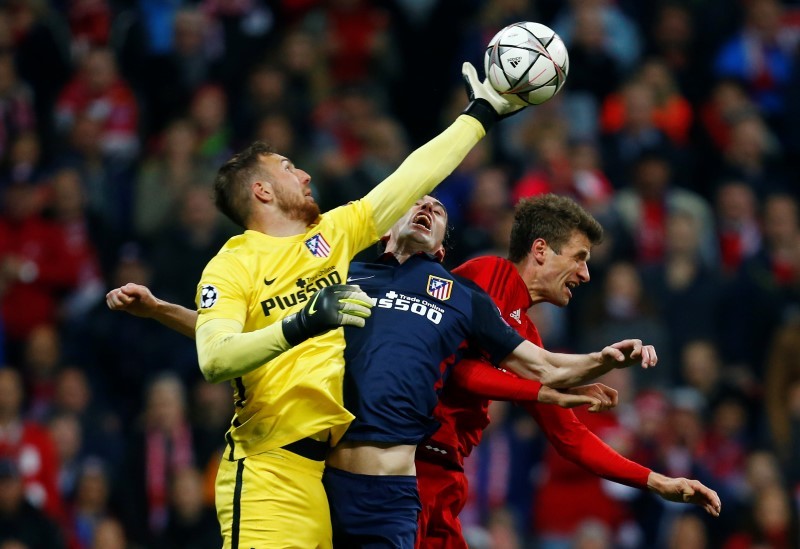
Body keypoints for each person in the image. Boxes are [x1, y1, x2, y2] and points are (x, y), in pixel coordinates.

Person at [108, 61, 528, 548]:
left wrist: (481, 113)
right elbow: (216, 357)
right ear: (262, 190)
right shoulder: (232, 265)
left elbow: (413, 176)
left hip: (321, 478)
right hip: (266, 469)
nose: (304, 173)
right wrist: (307, 319)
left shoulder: (332, 234)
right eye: (288, 168)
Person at [108, 196, 658, 548]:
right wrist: (160, 310)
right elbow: (244, 338)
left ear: (443, 247)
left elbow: (539, 366)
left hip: (400, 493)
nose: (425, 205)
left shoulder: (461, 295)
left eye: (439, 208)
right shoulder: (344, 279)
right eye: (413, 202)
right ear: (384, 226)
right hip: (330, 483)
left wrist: (601, 361)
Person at [415, 194, 722, 549]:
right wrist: (547, 391)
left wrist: (658, 481)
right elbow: (456, 369)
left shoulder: (525, 337)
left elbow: (571, 437)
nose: (585, 273)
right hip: (413, 464)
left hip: (445, 479)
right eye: (579, 257)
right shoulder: (486, 274)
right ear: (541, 250)